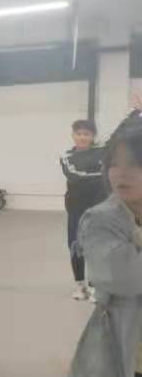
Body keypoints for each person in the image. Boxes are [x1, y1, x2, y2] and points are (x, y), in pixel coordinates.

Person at [65, 121, 142, 377]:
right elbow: (126, 277)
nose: (121, 172)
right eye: (114, 163)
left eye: (135, 163)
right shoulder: (100, 219)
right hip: (119, 368)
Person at [60, 119, 107, 302]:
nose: (82, 137)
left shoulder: (103, 152)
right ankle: (80, 286)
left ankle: (95, 287)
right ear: (73, 136)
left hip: (98, 210)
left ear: (92, 136)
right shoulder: (66, 157)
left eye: (86, 134)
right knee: (75, 246)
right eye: (78, 134)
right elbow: (74, 176)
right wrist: (99, 174)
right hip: (76, 210)